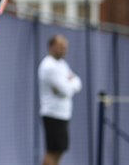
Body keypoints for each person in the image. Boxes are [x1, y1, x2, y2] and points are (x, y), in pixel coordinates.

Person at [38, 34, 82, 165]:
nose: (63, 50)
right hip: (53, 114)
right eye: (60, 47)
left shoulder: (62, 64)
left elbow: (78, 82)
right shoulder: (48, 66)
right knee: (52, 151)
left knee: (59, 151)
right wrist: (70, 82)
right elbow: (66, 90)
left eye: (65, 47)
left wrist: (71, 83)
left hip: (63, 115)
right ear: (51, 47)